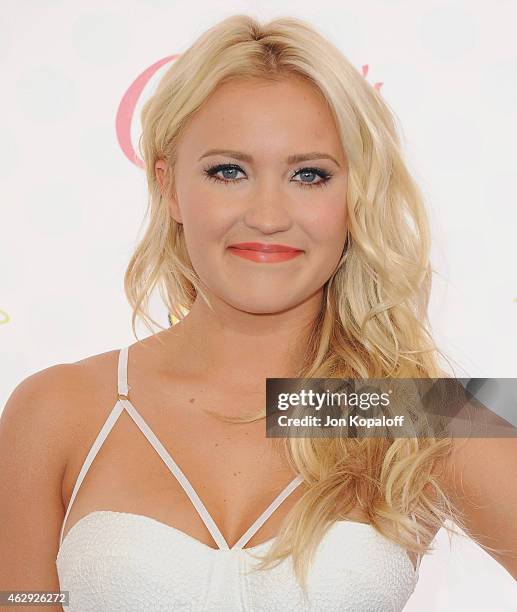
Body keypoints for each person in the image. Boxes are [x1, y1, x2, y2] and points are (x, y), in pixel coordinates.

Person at [1, 13, 515, 612]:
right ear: (168, 187)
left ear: (356, 195)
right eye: (229, 171)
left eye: (309, 175)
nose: (268, 214)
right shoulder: (58, 410)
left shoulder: (416, 414)